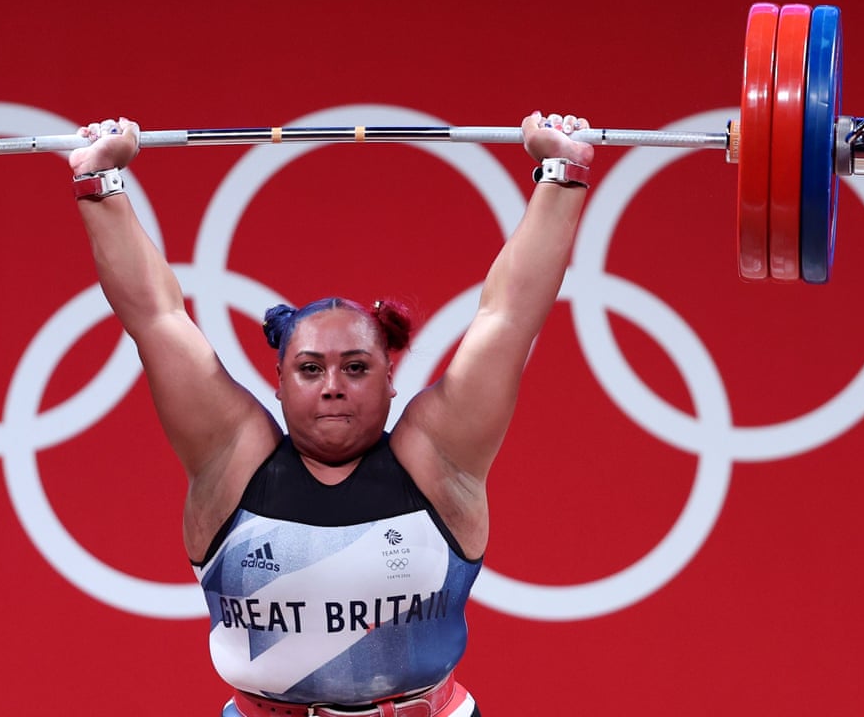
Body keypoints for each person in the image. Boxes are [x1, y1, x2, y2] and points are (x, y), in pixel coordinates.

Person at [67, 111, 594, 717]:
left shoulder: (438, 456)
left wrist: (562, 173)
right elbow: (156, 318)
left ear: (392, 381)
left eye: (357, 367)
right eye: (311, 369)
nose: (334, 387)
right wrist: (100, 183)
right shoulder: (230, 458)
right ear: (280, 383)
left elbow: (509, 318)